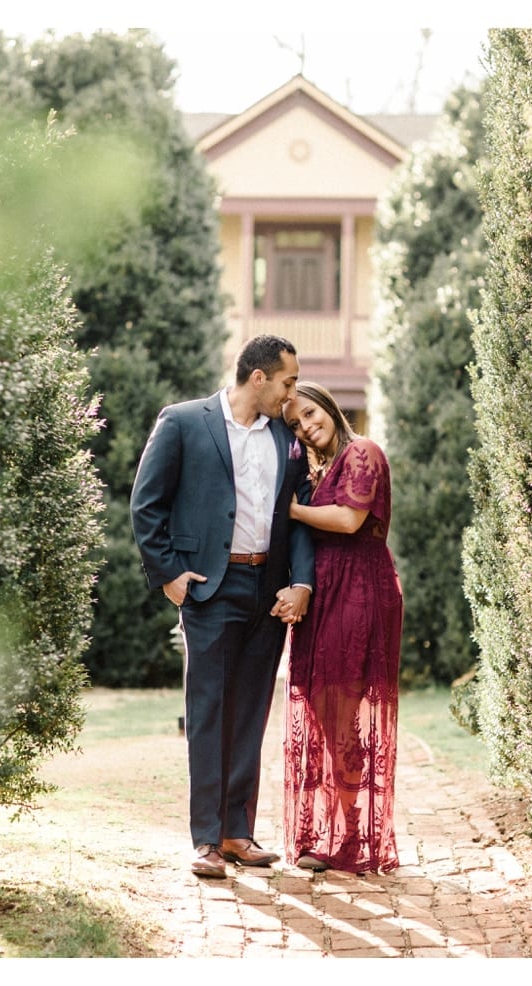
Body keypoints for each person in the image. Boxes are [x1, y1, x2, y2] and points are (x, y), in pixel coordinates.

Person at [131, 335, 316, 879]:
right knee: (209, 712)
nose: (293, 393)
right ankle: (205, 839)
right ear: (257, 377)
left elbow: (299, 515)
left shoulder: (286, 436)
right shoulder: (184, 422)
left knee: (251, 712)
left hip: (269, 592)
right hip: (209, 587)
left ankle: (237, 832)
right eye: (287, 381)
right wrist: (169, 575)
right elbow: (147, 504)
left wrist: (301, 582)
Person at [281, 381, 403, 874]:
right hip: (324, 592)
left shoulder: (362, 452)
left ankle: (351, 838)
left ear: (328, 407)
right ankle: (339, 829)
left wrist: (288, 509)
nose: (307, 426)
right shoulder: (318, 469)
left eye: (311, 413)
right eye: (296, 423)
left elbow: (351, 520)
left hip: (359, 591)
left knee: (340, 709)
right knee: (323, 710)